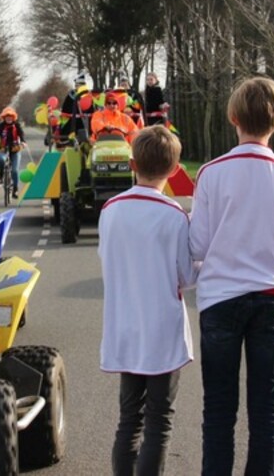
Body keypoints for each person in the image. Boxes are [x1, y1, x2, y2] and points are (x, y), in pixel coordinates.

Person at [188, 76, 274, 476]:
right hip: (272, 298)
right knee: (267, 410)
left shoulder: (211, 173)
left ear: (233, 118)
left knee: (218, 409)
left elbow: (197, 246)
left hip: (220, 299)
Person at [98, 124, 196, 476]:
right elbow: (188, 276)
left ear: (132, 164)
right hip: (162, 330)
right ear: (174, 169)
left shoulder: (110, 209)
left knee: (129, 419)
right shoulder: (174, 215)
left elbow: (106, 259)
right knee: (159, 420)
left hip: (125, 325)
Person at [0, 106, 25, 199]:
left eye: (10, 116)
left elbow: (21, 134)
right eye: (7, 116)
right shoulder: (1, 126)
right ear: (4, 117)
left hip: (15, 149)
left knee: (15, 170)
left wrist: (23, 142)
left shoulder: (17, 125)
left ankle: (15, 189)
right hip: (3, 148)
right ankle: (1, 177)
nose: (9, 118)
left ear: (13, 117)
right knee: (1, 159)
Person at [59, 73, 96, 144]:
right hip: (78, 122)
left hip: (82, 122)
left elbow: (65, 109)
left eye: (78, 85)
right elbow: (65, 109)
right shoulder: (74, 95)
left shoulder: (88, 95)